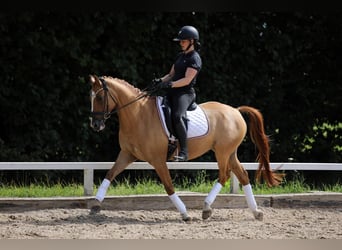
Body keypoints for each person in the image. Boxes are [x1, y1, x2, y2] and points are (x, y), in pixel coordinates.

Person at [153, 25, 202, 162]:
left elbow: (187, 80)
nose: (180, 43)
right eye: (180, 41)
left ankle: (184, 151)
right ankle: (170, 142)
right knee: (161, 110)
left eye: (183, 41)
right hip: (173, 91)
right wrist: (160, 81)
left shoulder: (195, 58)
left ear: (192, 41)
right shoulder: (180, 56)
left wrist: (170, 84)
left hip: (185, 93)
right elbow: (171, 74)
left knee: (177, 115)